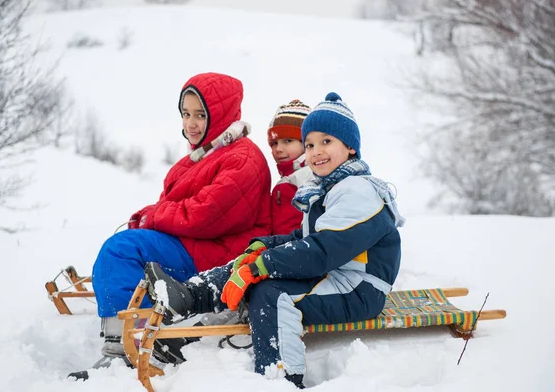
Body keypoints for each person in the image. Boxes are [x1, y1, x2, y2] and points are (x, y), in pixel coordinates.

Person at [144, 92, 405, 389]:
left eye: (326, 142)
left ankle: (280, 379)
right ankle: (190, 295)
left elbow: (323, 251)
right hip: (337, 275)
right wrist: (264, 248)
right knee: (251, 260)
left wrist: (263, 265)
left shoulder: (357, 191)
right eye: (310, 145)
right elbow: (306, 238)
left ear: (351, 146)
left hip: (360, 288)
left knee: (272, 292)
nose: (316, 151)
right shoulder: (328, 189)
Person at [70, 72, 272, 380]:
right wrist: (152, 217)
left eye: (201, 114)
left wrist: (154, 216)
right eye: (186, 114)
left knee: (121, 250)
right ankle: (145, 329)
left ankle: (124, 348)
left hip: (221, 255)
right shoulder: (202, 157)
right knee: (129, 245)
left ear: (222, 114)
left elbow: (206, 214)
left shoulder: (243, 158)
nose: (190, 123)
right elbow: (183, 209)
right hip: (199, 245)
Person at [267, 99, 313, 235]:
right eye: (274, 143)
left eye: (288, 141)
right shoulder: (288, 178)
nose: (278, 149)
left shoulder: (310, 175)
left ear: (306, 143)